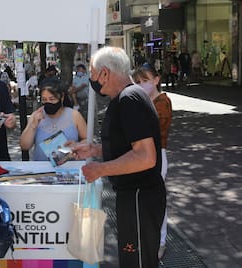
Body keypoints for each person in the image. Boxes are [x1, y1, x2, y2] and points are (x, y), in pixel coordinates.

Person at [71, 46, 166, 268]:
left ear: (105, 73)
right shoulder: (126, 98)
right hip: (134, 197)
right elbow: (127, 147)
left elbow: (145, 156)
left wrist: (101, 169)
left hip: (139, 197)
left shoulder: (129, 99)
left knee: (138, 262)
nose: (91, 79)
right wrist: (95, 150)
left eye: (93, 74)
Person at [132, 64, 173, 260]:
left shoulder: (162, 102)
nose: (141, 85)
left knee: (157, 201)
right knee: (144, 202)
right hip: (139, 156)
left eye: (145, 80)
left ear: (156, 80)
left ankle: (160, 242)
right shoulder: (141, 101)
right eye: (138, 82)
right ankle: (147, 241)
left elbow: (150, 129)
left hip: (156, 155)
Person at [20, 83, 87, 161]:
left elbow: (87, 139)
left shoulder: (75, 115)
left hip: (69, 168)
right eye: (44, 99)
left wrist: (77, 146)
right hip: (42, 169)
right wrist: (33, 126)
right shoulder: (36, 116)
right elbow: (24, 146)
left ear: (61, 97)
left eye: (52, 99)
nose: (48, 102)